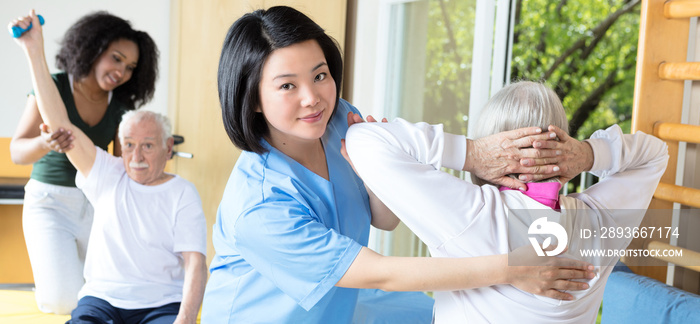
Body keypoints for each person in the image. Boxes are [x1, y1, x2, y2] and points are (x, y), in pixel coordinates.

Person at [202, 6, 596, 323]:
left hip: (341, 303)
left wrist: (373, 169)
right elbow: (382, 273)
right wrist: (514, 268)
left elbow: (384, 218)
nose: (313, 98)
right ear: (252, 98)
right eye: (287, 85)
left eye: (320, 75)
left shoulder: (338, 119)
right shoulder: (258, 207)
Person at [344, 81, 669, 323]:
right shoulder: (600, 221)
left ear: (495, 147)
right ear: (564, 144)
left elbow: (364, 139)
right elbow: (654, 154)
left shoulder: (474, 215)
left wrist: (473, 154)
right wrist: (588, 154)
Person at [11, 10, 206, 324]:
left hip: (94, 200)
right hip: (51, 200)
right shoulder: (55, 89)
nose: (121, 71)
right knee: (64, 300)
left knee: (106, 278)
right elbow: (26, 147)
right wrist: (34, 49)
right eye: (116, 59)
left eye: (130, 67)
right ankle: (49, 284)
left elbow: (129, 165)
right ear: (93, 49)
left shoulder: (120, 109)